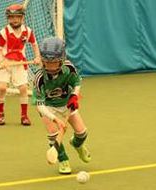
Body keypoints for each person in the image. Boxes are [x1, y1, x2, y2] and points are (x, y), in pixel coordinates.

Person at [33, 37, 91, 174]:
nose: (51, 66)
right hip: (47, 106)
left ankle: (77, 144)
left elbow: (76, 83)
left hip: (65, 101)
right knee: (53, 134)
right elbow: (39, 106)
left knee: (82, 133)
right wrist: (55, 119)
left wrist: (74, 96)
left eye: (54, 62)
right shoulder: (39, 78)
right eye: (47, 62)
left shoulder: (69, 67)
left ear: (62, 59)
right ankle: (63, 159)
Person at [0, 4, 41, 126]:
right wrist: (2, 60)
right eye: (11, 17)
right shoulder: (4, 32)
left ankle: (24, 116)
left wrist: (37, 57)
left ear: (22, 18)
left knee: (23, 89)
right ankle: (0, 113)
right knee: (2, 88)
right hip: (5, 63)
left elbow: (35, 45)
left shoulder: (28, 31)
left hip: (20, 63)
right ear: (8, 18)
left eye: (17, 17)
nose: (14, 20)